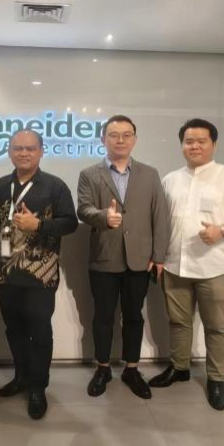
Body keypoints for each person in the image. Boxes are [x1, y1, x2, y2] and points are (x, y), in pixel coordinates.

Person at [149, 118, 224, 411]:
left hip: (216, 266)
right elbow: (161, 221)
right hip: (175, 264)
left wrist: (221, 230)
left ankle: (216, 379)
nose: (194, 146)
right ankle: (179, 367)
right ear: (181, 145)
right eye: (189, 141)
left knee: (216, 326)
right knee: (178, 321)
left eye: (201, 141)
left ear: (214, 144)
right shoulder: (170, 180)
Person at [77, 114, 169, 400]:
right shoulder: (90, 174)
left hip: (140, 259)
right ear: (103, 139)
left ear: (135, 139)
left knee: (133, 316)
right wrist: (103, 216)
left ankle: (131, 368)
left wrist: (159, 255)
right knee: (102, 317)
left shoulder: (150, 174)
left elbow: (160, 216)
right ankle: (103, 368)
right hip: (104, 257)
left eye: (126, 135)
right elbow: (83, 209)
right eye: (114, 135)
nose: (120, 140)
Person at [0, 129, 78, 420]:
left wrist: (38, 225)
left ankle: (38, 387)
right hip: (5, 275)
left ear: (41, 151)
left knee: (39, 332)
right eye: (18, 148)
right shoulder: (1, 186)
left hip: (41, 276)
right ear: (9, 152)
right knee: (13, 329)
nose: (24, 153)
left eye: (30, 148)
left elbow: (70, 223)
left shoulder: (55, 186)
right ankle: (21, 376)